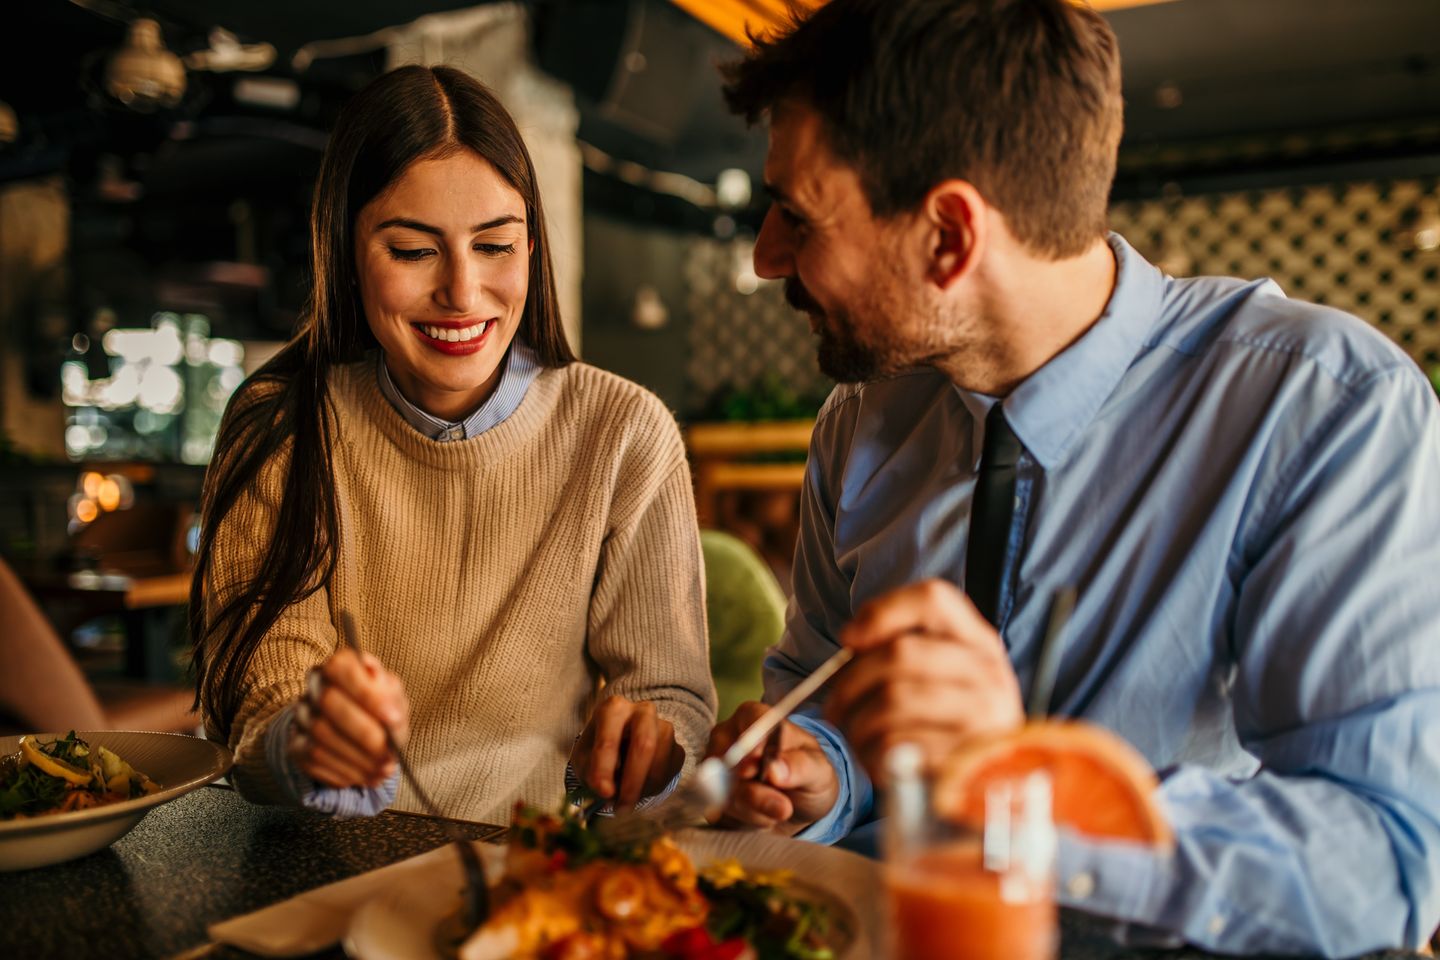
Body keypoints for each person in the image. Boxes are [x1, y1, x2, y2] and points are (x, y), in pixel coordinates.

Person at [703, 0, 1440, 955]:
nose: (765, 257)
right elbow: (820, 690)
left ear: (950, 237)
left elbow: (1383, 862)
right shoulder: (861, 419)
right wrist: (824, 773)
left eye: (798, 218)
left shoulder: (1324, 409)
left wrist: (1024, 793)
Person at [190, 65, 716, 825]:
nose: (463, 293)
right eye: (412, 251)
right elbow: (256, 707)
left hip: (525, 878)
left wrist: (650, 746)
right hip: (314, 873)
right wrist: (300, 742)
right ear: (343, 250)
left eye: (495, 245)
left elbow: (673, 698)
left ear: (532, 246)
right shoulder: (281, 426)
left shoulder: (622, 433)